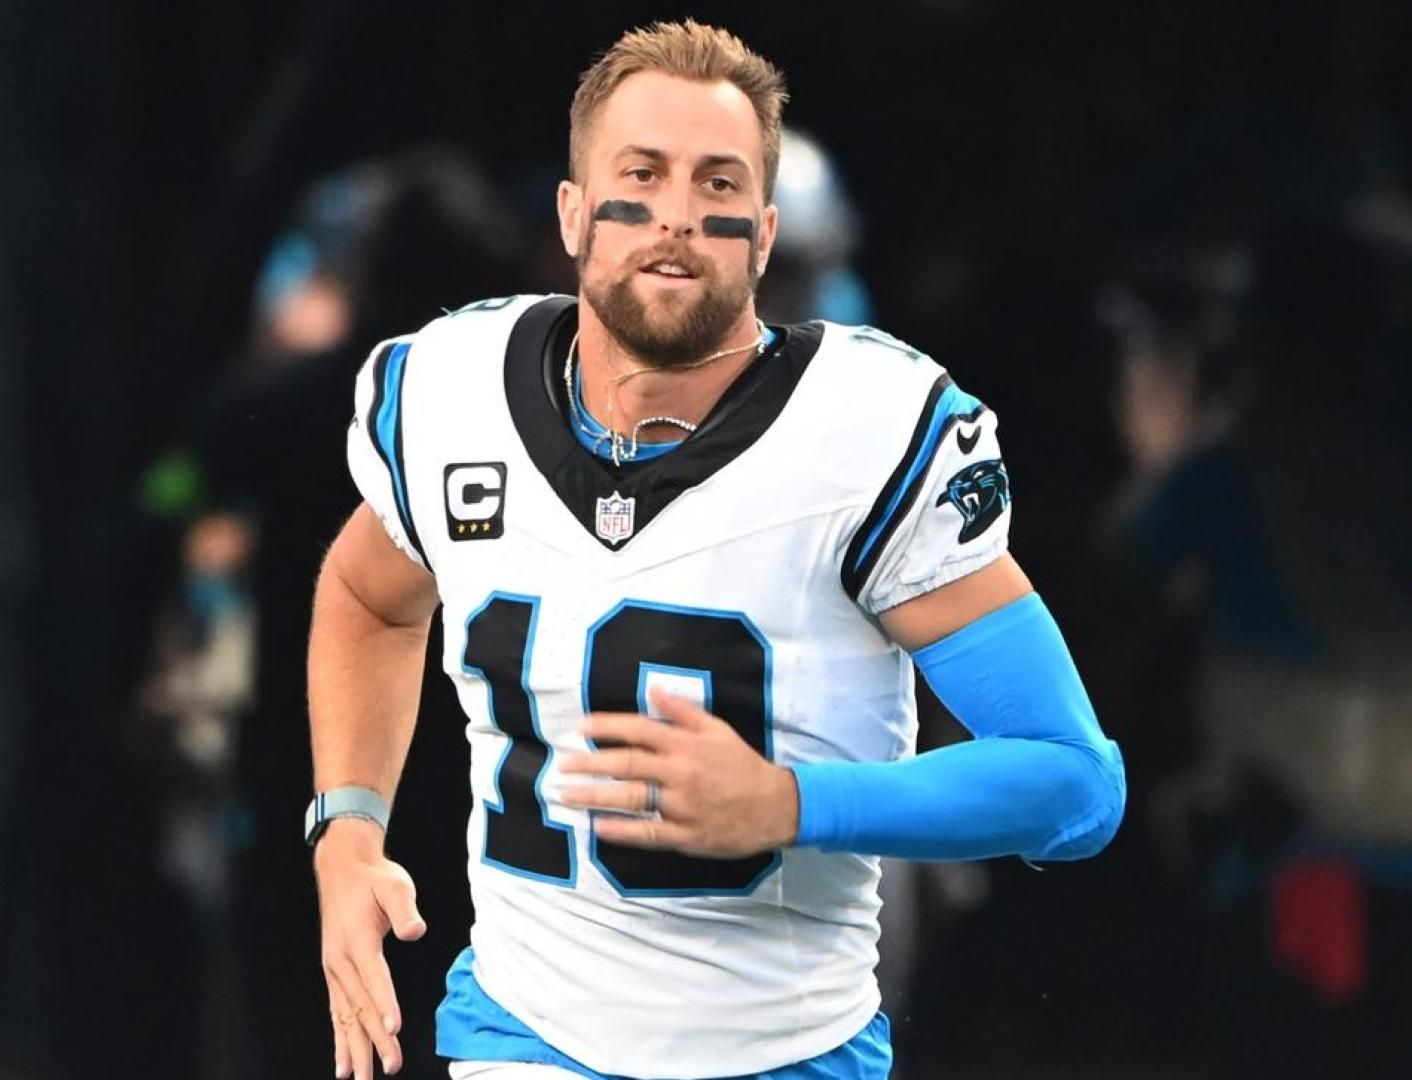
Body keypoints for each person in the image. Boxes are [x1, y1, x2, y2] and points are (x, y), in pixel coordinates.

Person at [305, 20, 1125, 1080]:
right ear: (570, 212)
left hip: (784, 1050)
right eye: (639, 175)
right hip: (525, 1034)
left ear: (767, 230)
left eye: (717, 184)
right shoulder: (451, 392)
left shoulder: (867, 430)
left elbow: (1074, 785)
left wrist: (790, 804)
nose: (677, 218)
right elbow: (370, 598)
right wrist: (347, 830)